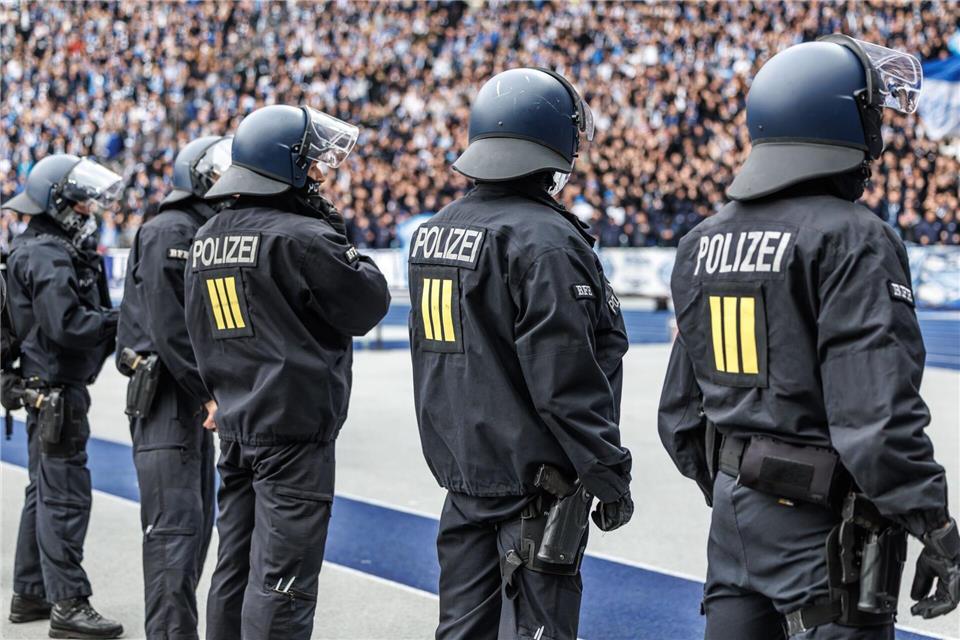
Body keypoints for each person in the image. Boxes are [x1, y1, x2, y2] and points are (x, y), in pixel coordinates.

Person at [658, 35, 958, 639]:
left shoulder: (701, 243)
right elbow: (876, 417)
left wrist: (741, 485)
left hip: (734, 518)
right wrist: (935, 527)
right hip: (826, 531)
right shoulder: (854, 238)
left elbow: (680, 417)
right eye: (872, 112)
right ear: (842, 123)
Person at [408, 68, 634, 640]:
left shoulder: (435, 231)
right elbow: (565, 381)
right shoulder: (545, 240)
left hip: (462, 479)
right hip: (535, 490)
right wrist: (607, 471)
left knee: (460, 630)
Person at [184, 104, 390, 640]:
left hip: (236, 423)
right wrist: (328, 220)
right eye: (313, 163)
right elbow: (367, 304)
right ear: (287, 167)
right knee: (283, 583)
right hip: (294, 434)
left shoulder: (206, 237)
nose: (321, 173)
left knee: (234, 566)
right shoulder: (302, 237)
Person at [3, 154, 125, 638]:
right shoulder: (48, 253)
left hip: (43, 392)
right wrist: (127, 317)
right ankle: (69, 605)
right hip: (55, 395)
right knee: (65, 500)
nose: (89, 208)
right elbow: (69, 327)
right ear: (58, 202)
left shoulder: (33, 247)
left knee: (44, 493)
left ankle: (30, 592)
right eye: (80, 199)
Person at [116, 135, 232, 639]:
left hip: (181, 402)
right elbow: (172, 330)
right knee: (174, 538)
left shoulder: (193, 227)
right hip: (168, 399)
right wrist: (209, 392)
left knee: (192, 532)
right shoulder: (171, 230)